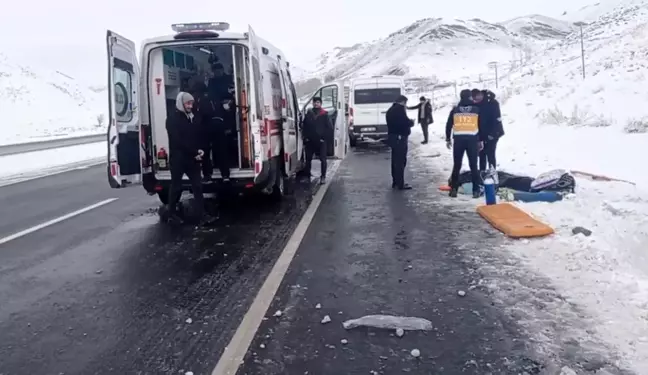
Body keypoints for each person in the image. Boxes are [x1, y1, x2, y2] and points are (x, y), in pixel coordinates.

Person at [166, 92, 211, 224]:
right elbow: (177, 141)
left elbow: (196, 135)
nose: (190, 106)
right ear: (181, 103)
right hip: (179, 159)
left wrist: (200, 150)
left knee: (198, 186)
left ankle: (201, 215)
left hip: (192, 158)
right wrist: (195, 151)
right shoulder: (172, 119)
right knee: (176, 187)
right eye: (188, 103)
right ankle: (171, 214)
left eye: (192, 103)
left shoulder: (191, 117)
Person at [445, 89, 484, 198]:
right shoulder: (476, 110)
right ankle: (476, 190)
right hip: (472, 141)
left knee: (457, 165)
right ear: (470, 97)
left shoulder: (455, 110)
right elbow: (481, 126)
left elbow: (448, 125)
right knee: (473, 166)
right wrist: (480, 140)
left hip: (458, 141)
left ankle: (453, 189)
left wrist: (448, 139)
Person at [192, 82, 231, 183]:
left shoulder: (198, 99)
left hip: (205, 129)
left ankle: (207, 175)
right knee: (221, 151)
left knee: (205, 152)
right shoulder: (214, 97)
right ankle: (225, 175)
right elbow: (223, 111)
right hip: (218, 127)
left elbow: (199, 116)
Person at [386, 95, 414, 190]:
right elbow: (404, 123)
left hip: (393, 138)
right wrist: (411, 122)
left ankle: (395, 181)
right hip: (400, 138)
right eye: (405, 103)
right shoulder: (399, 110)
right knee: (400, 161)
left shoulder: (391, 109)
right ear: (403, 102)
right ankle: (400, 184)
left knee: (395, 161)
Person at [302, 97, 332, 184]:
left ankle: (323, 177)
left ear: (321, 104)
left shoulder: (325, 115)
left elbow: (329, 128)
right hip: (310, 141)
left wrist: (324, 138)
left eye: (318, 102)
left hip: (321, 141)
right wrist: (306, 137)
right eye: (315, 102)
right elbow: (305, 126)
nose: (316, 104)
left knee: (323, 159)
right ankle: (307, 176)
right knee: (308, 159)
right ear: (313, 103)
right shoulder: (309, 114)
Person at [478, 89, 504, 177]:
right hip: (484, 134)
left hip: (493, 133)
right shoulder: (480, 104)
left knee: (490, 154)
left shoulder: (492, 104)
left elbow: (496, 120)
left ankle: (491, 174)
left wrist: (492, 134)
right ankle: (483, 174)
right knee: (482, 154)